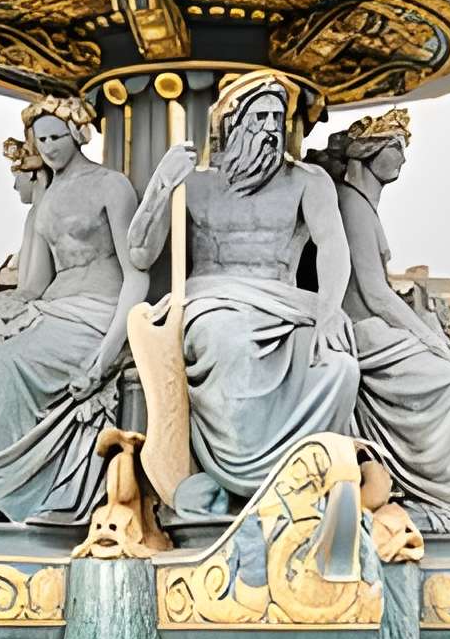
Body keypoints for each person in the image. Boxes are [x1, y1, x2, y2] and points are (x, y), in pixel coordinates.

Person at [128, 71, 359, 511]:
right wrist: (161, 184)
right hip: (214, 301)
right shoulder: (194, 184)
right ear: (232, 123)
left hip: (287, 305)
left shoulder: (308, 181)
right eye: (260, 117)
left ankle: (303, 481)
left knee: (340, 367)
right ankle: (239, 480)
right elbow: (140, 253)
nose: (271, 129)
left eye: (278, 118)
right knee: (229, 344)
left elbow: (333, 248)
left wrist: (330, 312)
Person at [0, 97, 143, 525]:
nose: (51, 147)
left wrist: (108, 354)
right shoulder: (46, 202)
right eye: (42, 139)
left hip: (96, 315)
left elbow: (136, 276)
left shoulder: (110, 186)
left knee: (1, 368)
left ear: (79, 133)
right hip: (50, 312)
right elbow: (34, 287)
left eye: (58, 136)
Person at [317, 110, 450, 533]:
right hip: (363, 331)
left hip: (376, 327)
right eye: (397, 148)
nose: (404, 160)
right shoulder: (351, 205)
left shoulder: (360, 205)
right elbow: (373, 293)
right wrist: (430, 338)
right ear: (370, 152)